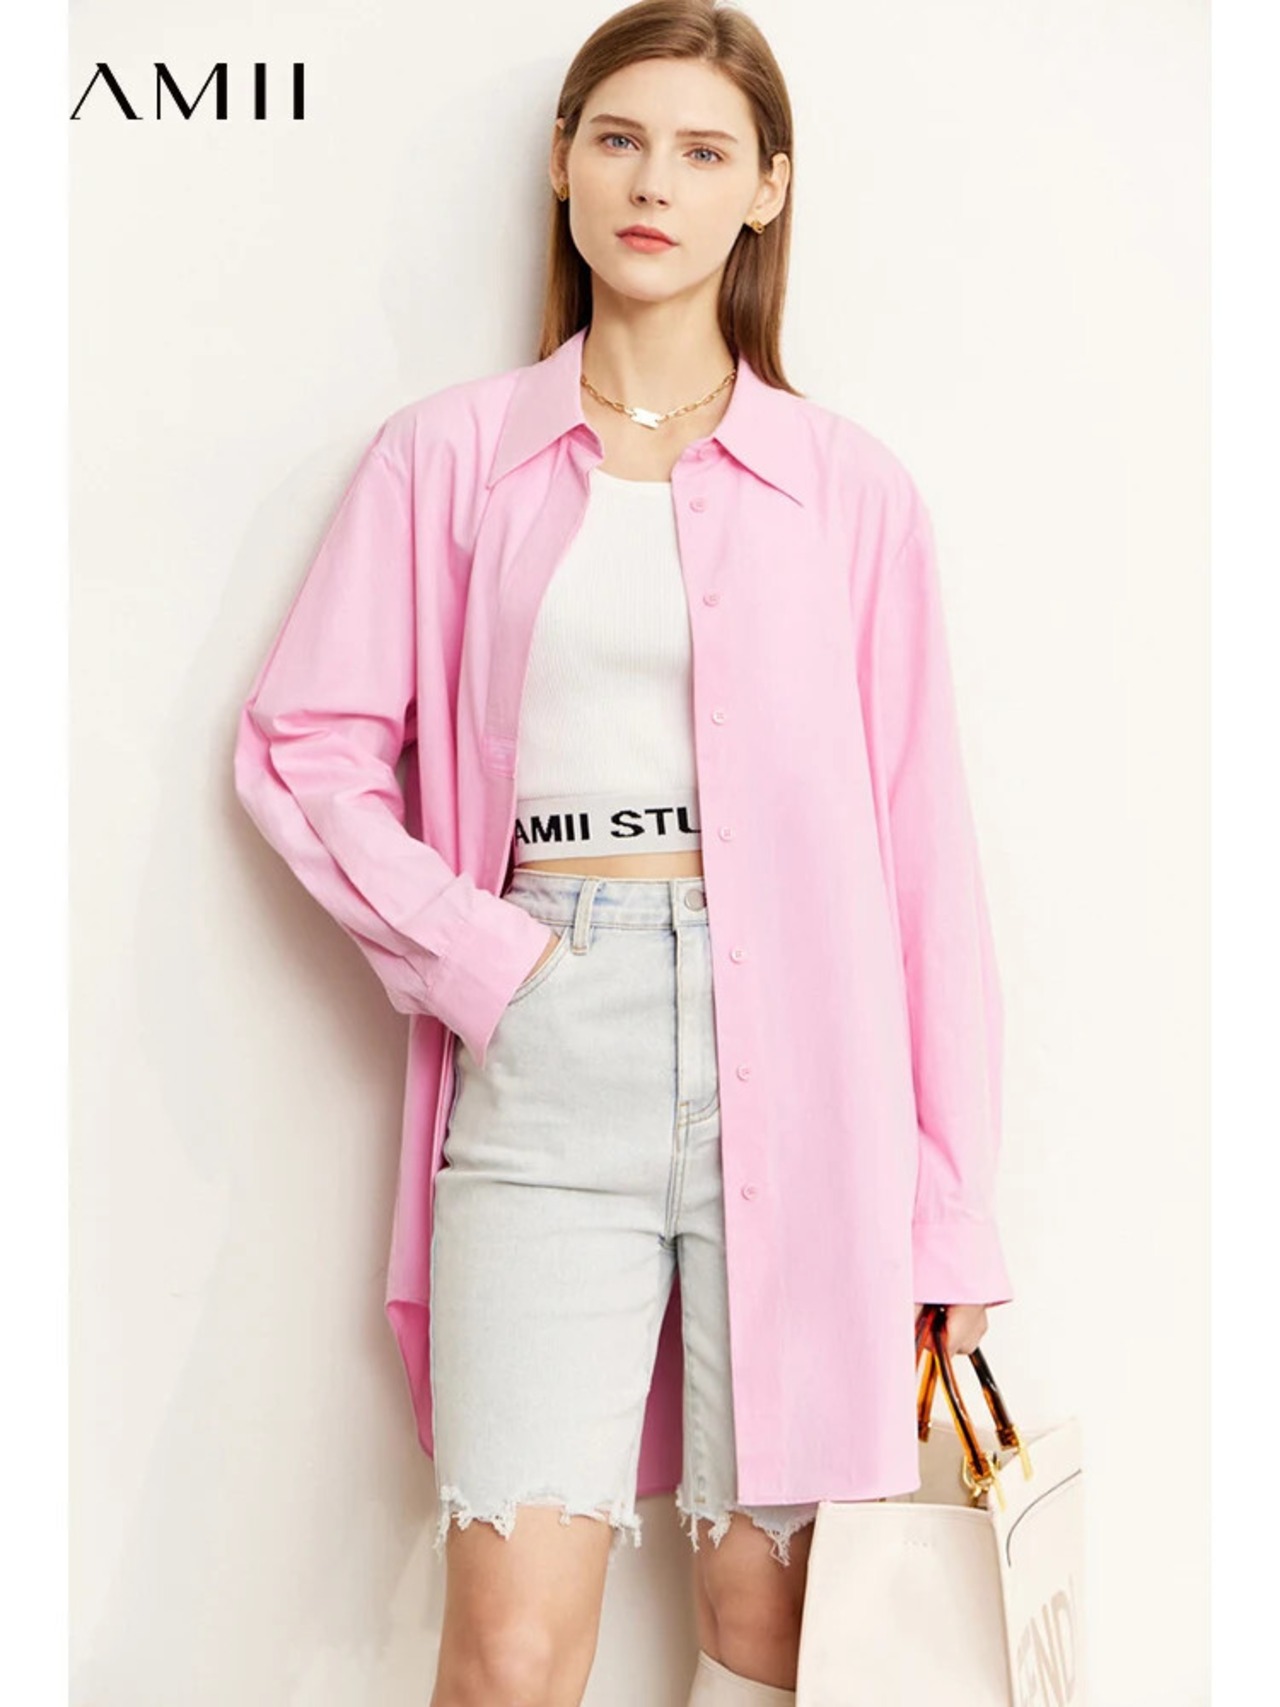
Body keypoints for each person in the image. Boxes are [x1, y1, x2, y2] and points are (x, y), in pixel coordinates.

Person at [232, 2, 1015, 1703]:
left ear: (767, 191)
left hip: (811, 1079)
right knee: (510, 1649)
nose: (655, 183)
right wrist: (480, 955)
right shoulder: (447, 461)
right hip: (548, 1054)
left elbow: (925, 873)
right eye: (620, 140)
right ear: (565, 167)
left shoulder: (850, 494)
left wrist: (949, 1217)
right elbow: (303, 747)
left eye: (704, 150)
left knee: (775, 1636)